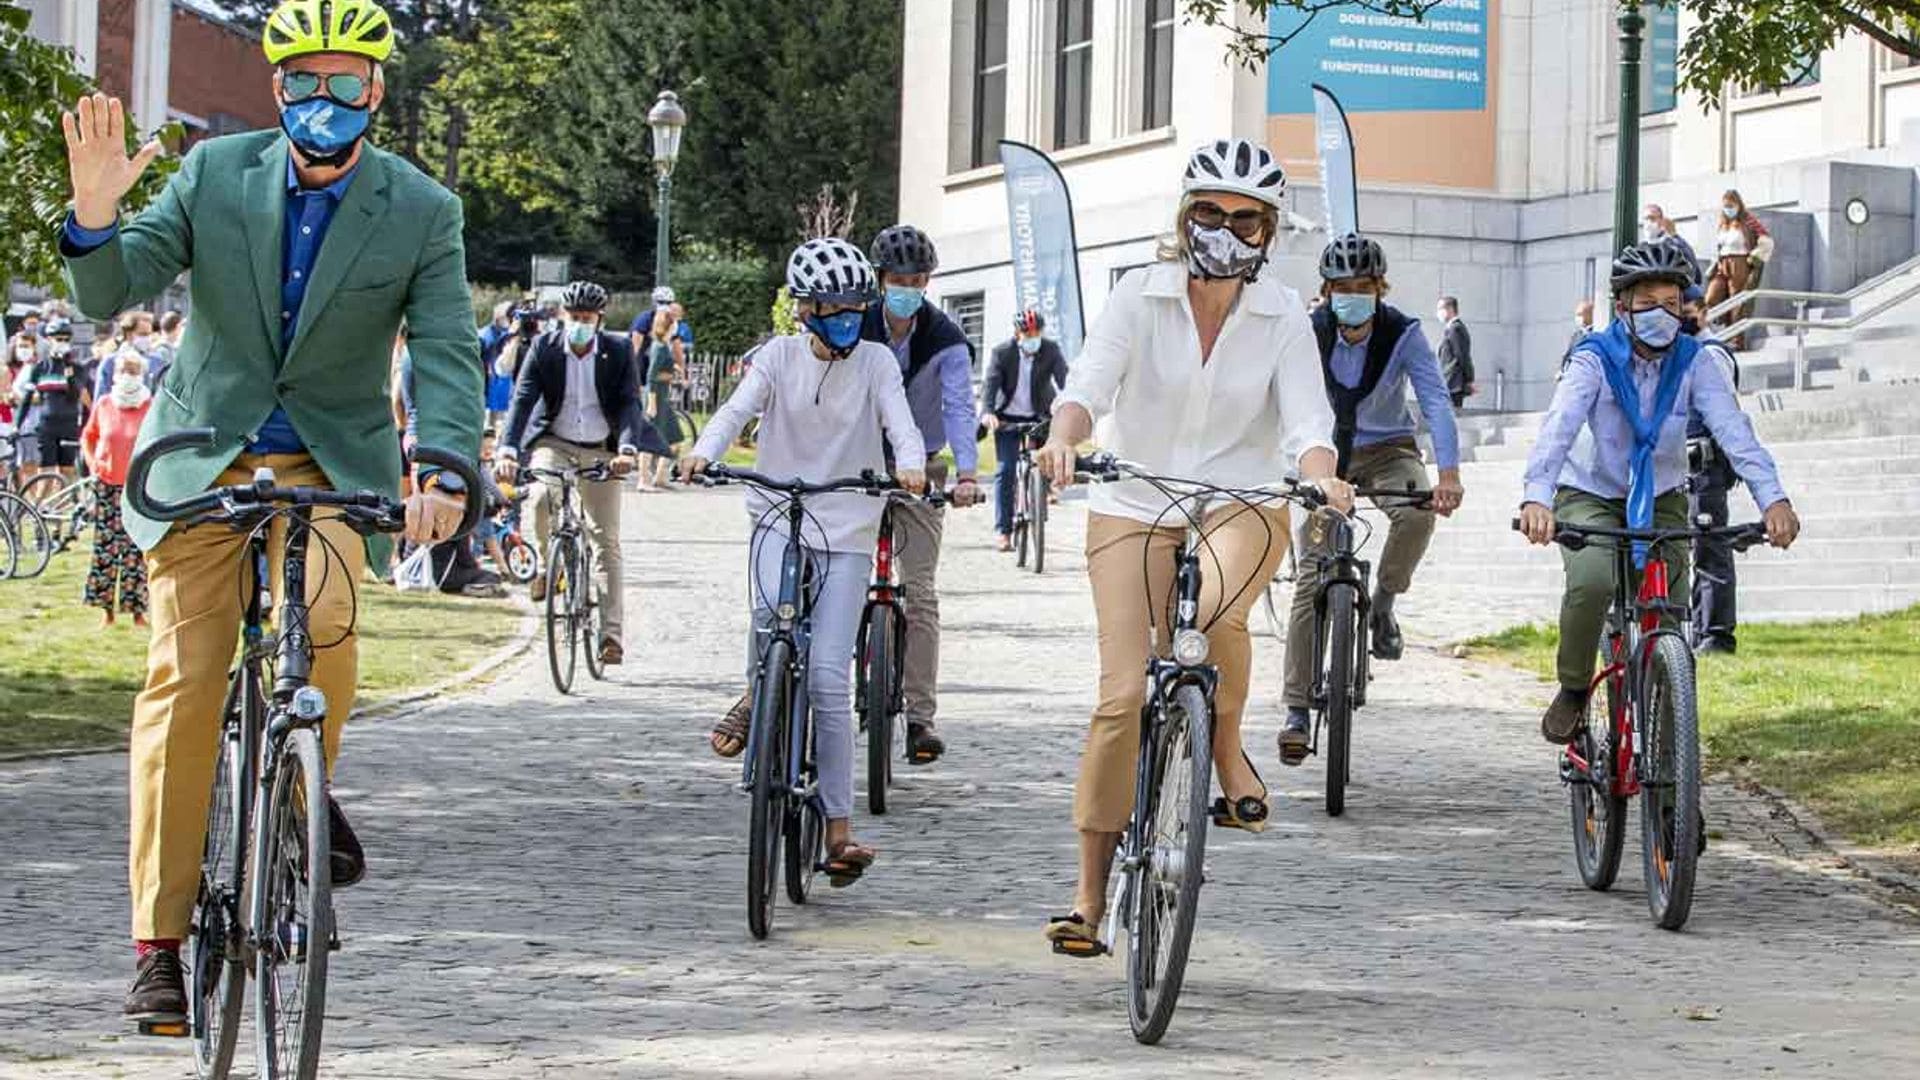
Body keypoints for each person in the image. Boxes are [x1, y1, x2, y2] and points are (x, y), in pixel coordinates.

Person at [57, 0, 483, 1025]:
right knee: (186, 681)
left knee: (328, 623)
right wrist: (94, 214)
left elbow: (446, 349)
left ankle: (302, 774)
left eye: (346, 83)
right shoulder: (214, 174)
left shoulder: (424, 209)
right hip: (202, 457)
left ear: (377, 90)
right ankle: (158, 942)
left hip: (331, 461)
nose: (323, 102)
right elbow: (108, 290)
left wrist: (447, 471)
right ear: (277, 88)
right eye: (304, 82)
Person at [1029, 138, 1351, 956]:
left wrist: (1325, 476)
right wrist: (1064, 441)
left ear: (1269, 233)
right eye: (1211, 213)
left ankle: (1225, 743)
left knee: (1214, 607)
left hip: (1240, 499)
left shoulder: (1284, 318)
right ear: (1185, 217)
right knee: (1122, 697)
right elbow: (1086, 388)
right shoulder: (1139, 296)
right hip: (1132, 499)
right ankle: (1090, 898)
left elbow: (1310, 423)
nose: (1227, 230)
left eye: (1247, 219)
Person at [683, 237, 926, 887]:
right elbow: (734, 412)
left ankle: (838, 830)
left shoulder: (875, 362)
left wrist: (909, 464)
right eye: (831, 306)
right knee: (769, 625)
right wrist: (703, 453)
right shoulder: (777, 358)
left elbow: (899, 422)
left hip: (847, 522)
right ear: (804, 310)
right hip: (775, 517)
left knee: (825, 676)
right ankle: (755, 693)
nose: (845, 315)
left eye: (855, 305)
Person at [1518, 238, 1799, 743]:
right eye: (1648, 304)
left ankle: (1671, 785)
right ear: (1622, 306)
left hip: (1663, 494)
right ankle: (1575, 687)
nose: (1661, 315)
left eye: (1672, 303)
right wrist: (1537, 496)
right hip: (1591, 491)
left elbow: (1735, 431)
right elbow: (1558, 427)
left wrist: (1772, 497)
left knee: (1667, 622)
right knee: (1594, 581)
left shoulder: (1695, 362)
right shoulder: (1594, 359)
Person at [1276, 234, 1465, 761]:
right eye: (1341, 288)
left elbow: (1435, 399)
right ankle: (1295, 708)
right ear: (1327, 291)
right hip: (1322, 457)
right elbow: (1277, 395)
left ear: (1379, 289)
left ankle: (1383, 605)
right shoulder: (1307, 332)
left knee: (1418, 514)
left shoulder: (1403, 333)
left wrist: (1447, 473)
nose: (1351, 297)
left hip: (1387, 450)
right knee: (1312, 573)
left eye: (1362, 288)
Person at [858, 223, 983, 764]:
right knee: (835, 576)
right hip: (857, 464)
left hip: (924, 469)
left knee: (922, 592)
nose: (907, 286)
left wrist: (968, 475)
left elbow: (959, 407)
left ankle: (920, 718)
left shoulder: (947, 339)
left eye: (917, 279)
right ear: (880, 280)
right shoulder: (855, 325)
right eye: (898, 278)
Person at [496, 279, 666, 663]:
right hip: (554, 442)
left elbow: (628, 404)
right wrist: (507, 448)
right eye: (573, 317)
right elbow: (522, 399)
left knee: (605, 540)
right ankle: (544, 563)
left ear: (599, 319)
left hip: (603, 448)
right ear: (562, 316)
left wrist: (625, 448)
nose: (579, 323)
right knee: (540, 496)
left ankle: (610, 636)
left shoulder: (618, 350)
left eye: (586, 318)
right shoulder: (545, 347)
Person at [1683, 296, 1743, 655]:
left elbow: (1727, 412)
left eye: (1687, 311)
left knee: (1710, 545)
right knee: (1696, 545)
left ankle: (1717, 634)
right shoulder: (1687, 353)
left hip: (1705, 464)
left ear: (1703, 313)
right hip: (1687, 463)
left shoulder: (1711, 353)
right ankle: (1700, 631)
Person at [981, 309, 1067, 551]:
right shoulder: (1002, 352)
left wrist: (1069, 406)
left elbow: (1065, 381)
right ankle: (1004, 531)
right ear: (1017, 334)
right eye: (1027, 333)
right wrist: (987, 412)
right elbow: (990, 384)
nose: (1033, 337)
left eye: (1037, 332)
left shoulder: (1050, 350)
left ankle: (1044, 489)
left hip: (1038, 415)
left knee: (1045, 458)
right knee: (1006, 471)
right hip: (1007, 418)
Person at [79, 353, 153, 626]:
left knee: (135, 548)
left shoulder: (150, 405)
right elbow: (89, 436)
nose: (128, 374)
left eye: (133, 370)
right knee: (106, 547)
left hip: (137, 486)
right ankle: (105, 610)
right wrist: (93, 463)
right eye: (123, 370)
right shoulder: (104, 404)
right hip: (107, 482)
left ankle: (137, 610)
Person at [12, 318, 85, 484]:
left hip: (69, 424)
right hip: (47, 425)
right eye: (58, 339)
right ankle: (42, 507)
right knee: (45, 472)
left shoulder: (77, 367)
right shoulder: (40, 368)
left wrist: (69, 373)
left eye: (66, 340)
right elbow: (27, 399)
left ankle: (66, 507)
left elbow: (74, 395)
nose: (62, 343)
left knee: (68, 471)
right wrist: (17, 425)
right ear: (49, 340)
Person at [1703, 190, 1773, 349]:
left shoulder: (1747, 220)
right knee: (1710, 298)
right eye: (1726, 206)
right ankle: (1715, 334)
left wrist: (1756, 256)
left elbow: (1766, 239)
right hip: (1723, 264)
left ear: (1738, 205)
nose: (1728, 209)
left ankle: (1737, 342)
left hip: (1740, 262)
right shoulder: (1723, 224)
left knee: (1737, 303)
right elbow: (1720, 246)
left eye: (1731, 205)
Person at [639, 306, 687, 491]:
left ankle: (660, 477)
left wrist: (672, 369)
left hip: (662, 398)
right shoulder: (659, 348)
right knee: (651, 441)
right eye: (673, 323)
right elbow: (651, 376)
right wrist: (651, 404)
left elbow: (660, 370)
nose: (676, 326)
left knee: (674, 439)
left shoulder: (662, 346)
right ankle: (643, 479)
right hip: (656, 399)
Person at [95, 310, 159, 403]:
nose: (147, 339)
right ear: (129, 334)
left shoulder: (157, 362)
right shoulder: (110, 362)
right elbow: (101, 400)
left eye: (149, 334)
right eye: (142, 334)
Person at [478, 300, 516, 426]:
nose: (510, 320)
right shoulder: (485, 336)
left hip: (503, 386)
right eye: (508, 316)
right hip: (487, 385)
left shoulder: (508, 334)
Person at [1641, 204, 1699, 281]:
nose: (1648, 223)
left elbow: (1693, 273)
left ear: (1662, 221)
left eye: (1652, 218)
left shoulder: (1675, 244)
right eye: (1645, 219)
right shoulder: (1643, 245)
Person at [1436, 295, 1474, 408]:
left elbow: (1462, 357)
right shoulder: (1451, 329)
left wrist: (1469, 380)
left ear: (1450, 309)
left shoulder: (1456, 329)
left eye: (1440, 309)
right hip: (1449, 384)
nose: (1438, 313)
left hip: (1453, 384)